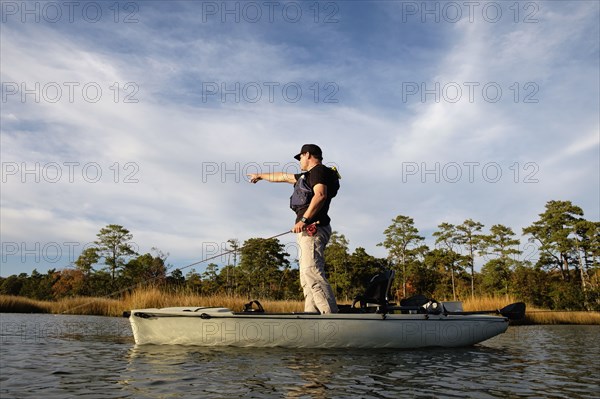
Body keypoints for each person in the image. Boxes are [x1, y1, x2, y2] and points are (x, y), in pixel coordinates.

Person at [248, 144, 339, 314]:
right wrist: (260, 176)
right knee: (306, 275)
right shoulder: (307, 175)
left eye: (300, 158)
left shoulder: (319, 171)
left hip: (314, 228)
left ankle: (332, 316)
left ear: (308, 155)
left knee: (312, 271)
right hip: (308, 230)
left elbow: (320, 195)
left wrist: (304, 219)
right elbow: (283, 176)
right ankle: (311, 314)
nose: (299, 162)